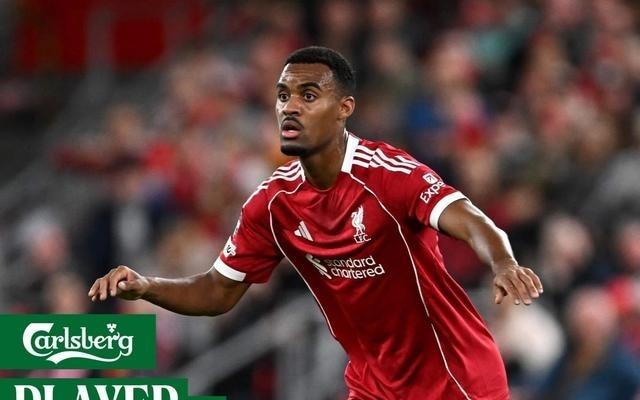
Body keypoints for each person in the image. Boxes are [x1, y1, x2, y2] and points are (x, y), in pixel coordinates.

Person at [88, 46, 543, 399]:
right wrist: (147, 286)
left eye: (308, 96)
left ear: (344, 107)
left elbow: (469, 218)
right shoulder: (273, 204)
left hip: (453, 377)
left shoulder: (387, 175)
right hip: (373, 385)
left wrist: (503, 262)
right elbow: (216, 291)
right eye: (283, 96)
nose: (290, 107)